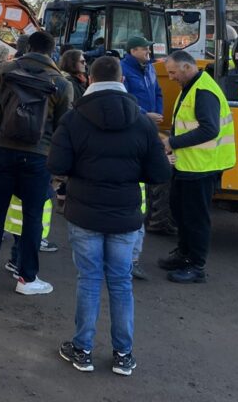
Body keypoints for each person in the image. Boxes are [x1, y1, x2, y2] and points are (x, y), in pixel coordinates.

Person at [48, 55, 171, 376]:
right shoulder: (143, 122)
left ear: (89, 79)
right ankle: (123, 355)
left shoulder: (73, 120)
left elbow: (57, 165)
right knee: (121, 283)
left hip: (84, 213)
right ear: (122, 80)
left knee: (89, 280)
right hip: (125, 215)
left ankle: (82, 349)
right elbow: (160, 173)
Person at [0, 30, 73, 295]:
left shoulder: (5, 70)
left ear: (27, 47)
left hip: (2, 148)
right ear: (52, 51)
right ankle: (26, 278)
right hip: (38, 154)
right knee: (33, 215)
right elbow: (63, 126)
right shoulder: (61, 83)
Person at [159, 50, 235, 284]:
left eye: (173, 72)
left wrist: (172, 142)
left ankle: (196, 265)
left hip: (201, 167)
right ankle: (184, 254)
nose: (171, 77)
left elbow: (209, 129)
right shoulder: (192, 86)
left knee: (196, 217)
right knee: (181, 211)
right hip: (189, 164)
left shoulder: (203, 91)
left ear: (186, 67)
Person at [121, 36, 165, 280]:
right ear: (132, 50)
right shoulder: (124, 70)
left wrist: (157, 113)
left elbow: (157, 92)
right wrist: (144, 115)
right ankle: (129, 259)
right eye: (143, 48)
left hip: (149, 125)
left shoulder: (149, 69)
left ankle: (130, 257)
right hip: (137, 125)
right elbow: (125, 99)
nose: (148, 51)